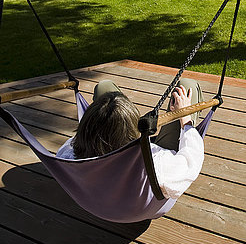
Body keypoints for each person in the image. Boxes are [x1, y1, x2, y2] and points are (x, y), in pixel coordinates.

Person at [56, 78, 205, 200]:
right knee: (187, 85)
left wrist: (102, 122)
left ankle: (110, 119)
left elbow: (75, 142)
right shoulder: (159, 164)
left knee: (104, 86)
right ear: (131, 132)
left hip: (100, 190)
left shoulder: (68, 157)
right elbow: (190, 161)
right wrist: (185, 120)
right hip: (142, 193)